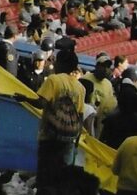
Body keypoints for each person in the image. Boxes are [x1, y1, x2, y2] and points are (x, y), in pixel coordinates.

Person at [17, 48, 85, 191]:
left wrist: (24, 99)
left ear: (60, 63)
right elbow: (80, 115)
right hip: (68, 140)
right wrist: (76, 140)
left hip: (50, 136)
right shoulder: (80, 88)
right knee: (61, 177)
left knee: (45, 175)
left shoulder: (54, 80)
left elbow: (41, 103)